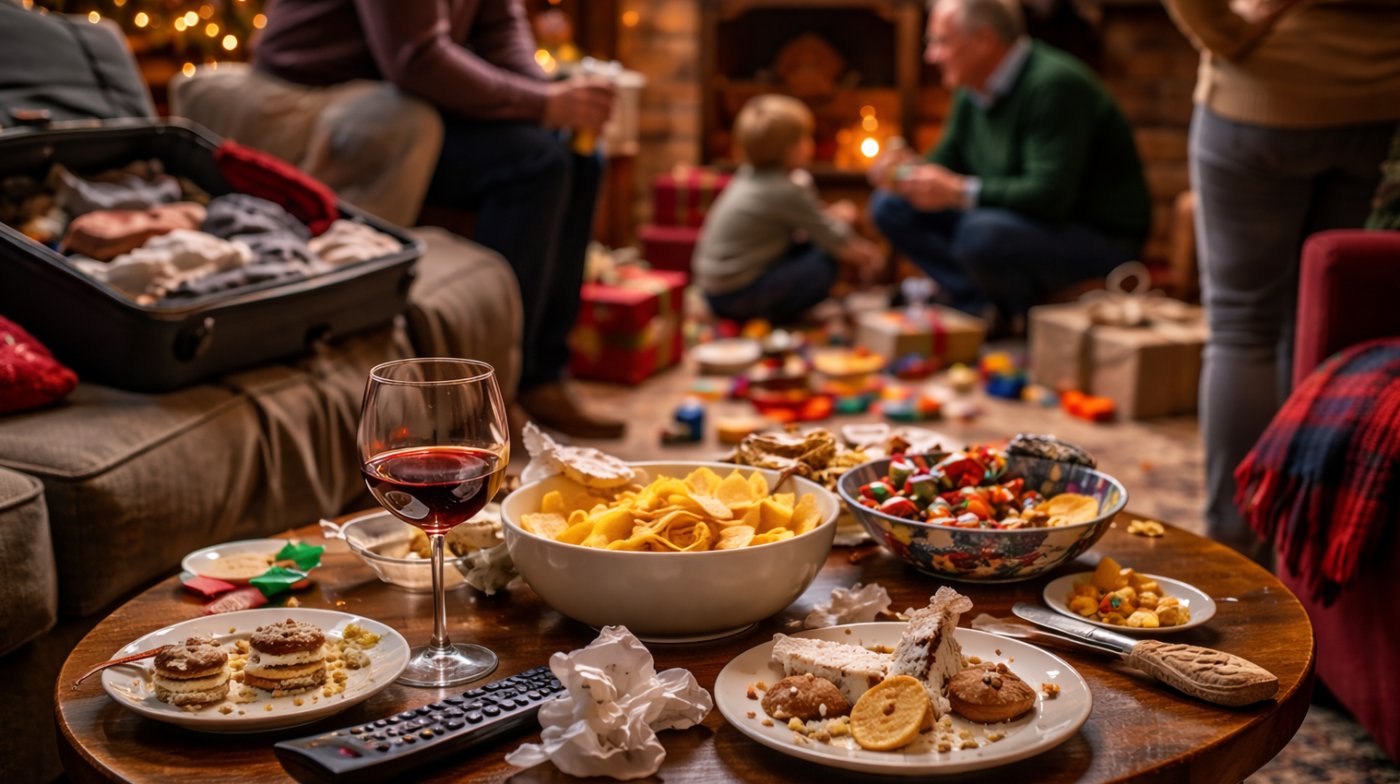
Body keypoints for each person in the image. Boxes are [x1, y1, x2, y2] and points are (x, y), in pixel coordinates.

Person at [253, 0, 626, 439]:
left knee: (580, 156)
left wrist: (555, 100)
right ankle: (487, 390)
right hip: (334, 91)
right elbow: (416, 59)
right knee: (537, 164)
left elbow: (500, 28)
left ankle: (542, 375)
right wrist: (542, 103)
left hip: (408, 94)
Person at [1161, 0, 1400, 560]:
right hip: (1374, 100)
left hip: (1259, 94)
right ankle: (1297, 527)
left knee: (1243, 324)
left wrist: (1228, 33)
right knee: (1316, 316)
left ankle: (1235, 539)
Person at [868, 0, 1150, 327]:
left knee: (980, 233)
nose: (932, 56)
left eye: (942, 42)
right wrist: (906, 173)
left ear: (984, 41)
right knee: (891, 205)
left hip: (1096, 239)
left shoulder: (1054, 85)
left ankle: (1003, 312)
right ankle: (978, 304)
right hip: (1012, 221)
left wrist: (957, 191)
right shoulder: (972, 87)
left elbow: (1049, 196)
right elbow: (946, 160)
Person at [694, 95, 883, 325]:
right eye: (805, 137)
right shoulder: (785, 189)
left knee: (810, 245)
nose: (810, 144)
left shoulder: (748, 175)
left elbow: (811, 222)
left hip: (713, 289)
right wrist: (869, 255)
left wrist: (830, 216)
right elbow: (834, 239)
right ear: (791, 149)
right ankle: (774, 316)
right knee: (825, 264)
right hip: (736, 296)